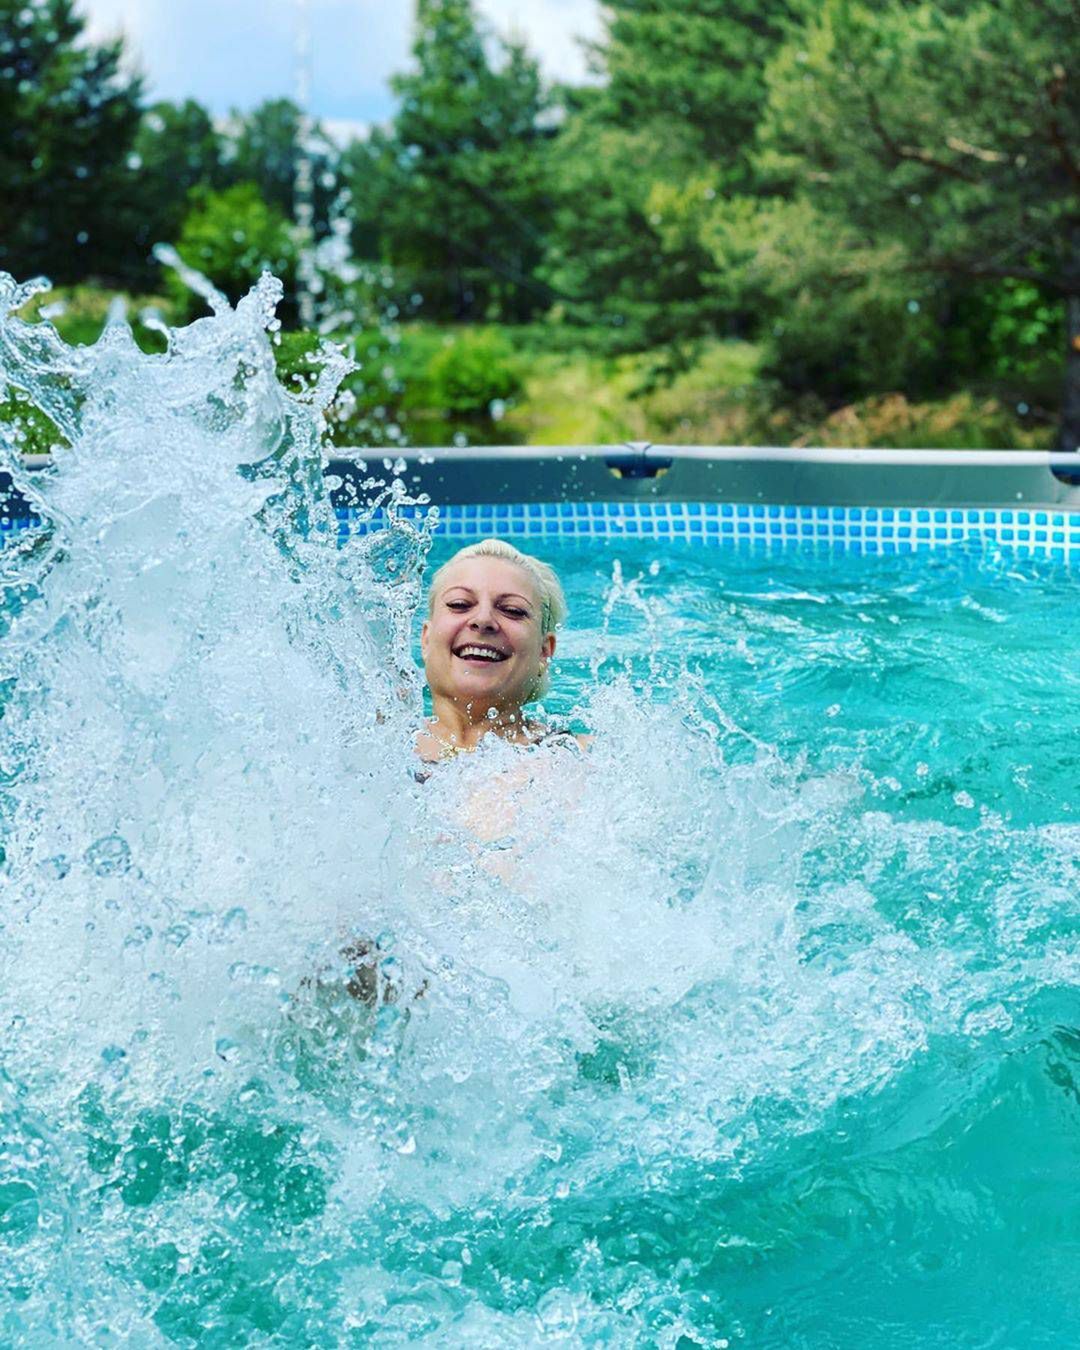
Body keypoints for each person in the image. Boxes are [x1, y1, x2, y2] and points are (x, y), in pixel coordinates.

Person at [414, 537, 587, 766]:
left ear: (543, 652)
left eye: (512, 610)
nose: (483, 619)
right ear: (426, 640)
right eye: (459, 604)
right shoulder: (372, 747)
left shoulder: (582, 758)